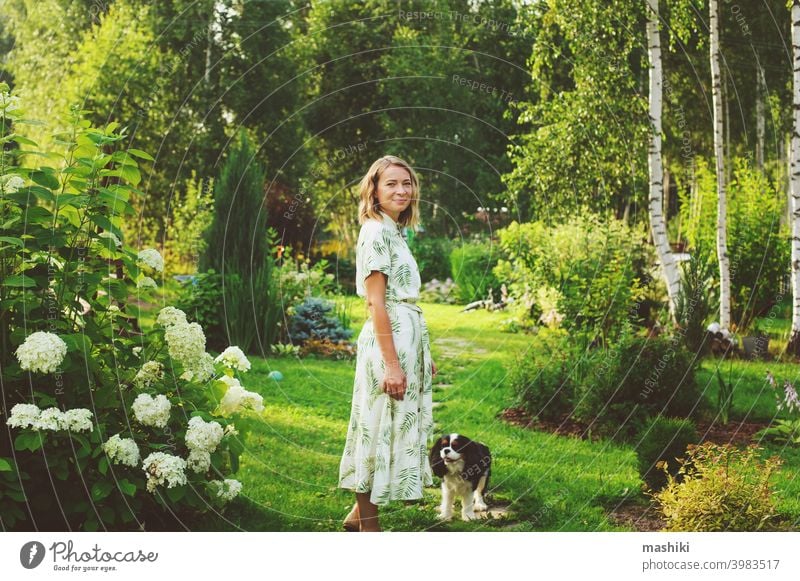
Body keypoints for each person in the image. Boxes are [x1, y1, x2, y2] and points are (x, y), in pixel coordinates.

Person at [338, 155, 438, 532]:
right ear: (374, 191)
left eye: (407, 183)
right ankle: (370, 529)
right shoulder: (376, 231)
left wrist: (420, 356)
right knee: (375, 427)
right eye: (391, 184)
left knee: (383, 426)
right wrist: (393, 364)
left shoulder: (394, 230)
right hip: (387, 342)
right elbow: (375, 302)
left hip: (404, 337)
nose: (401, 190)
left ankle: (356, 515)